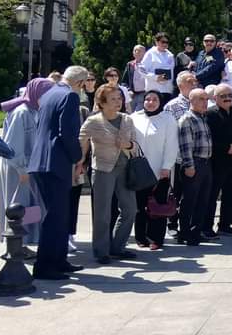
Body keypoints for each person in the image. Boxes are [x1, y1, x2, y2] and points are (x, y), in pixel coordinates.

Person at [28, 66, 87, 280]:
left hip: (41, 162)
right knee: (55, 217)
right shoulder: (70, 96)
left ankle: (59, 260)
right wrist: (77, 156)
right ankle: (45, 266)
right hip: (56, 163)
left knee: (58, 215)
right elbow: (67, 132)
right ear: (80, 83)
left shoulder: (49, 94)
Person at [80, 84, 138, 264]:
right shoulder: (94, 121)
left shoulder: (127, 119)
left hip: (125, 168)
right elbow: (81, 139)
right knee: (102, 212)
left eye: (119, 98)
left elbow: (135, 145)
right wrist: (81, 160)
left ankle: (118, 246)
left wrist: (127, 145)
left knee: (130, 209)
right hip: (103, 169)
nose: (118, 102)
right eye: (113, 99)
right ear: (102, 102)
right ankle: (101, 250)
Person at [0, 78, 55, 257]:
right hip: (18, 169)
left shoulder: (36, 111)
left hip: (29, 168)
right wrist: (22, 169)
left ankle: (24, 242)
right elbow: (12, 145)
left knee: (29, 207)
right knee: (17, 206)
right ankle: (14, 245)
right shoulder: (21, 112)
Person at [131, 91, 179, 250]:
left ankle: (156, 238)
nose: (150, 102)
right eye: (147, 99)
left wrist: (167, 166)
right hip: (138, 170)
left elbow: (172, 145)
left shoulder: (168, 119)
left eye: (154, 99)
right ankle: (140, 237)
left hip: (160, 170)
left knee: (157, 207)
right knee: (139, 206)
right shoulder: (135, 117)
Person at [206, 83, 232, 236]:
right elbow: (210, 139)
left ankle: (225, 224)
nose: (227, 99)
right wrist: (227, 148)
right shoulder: (210, 114)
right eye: (223, 96)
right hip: (218, 162)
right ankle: (207, 226)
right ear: (215, 98)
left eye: (229, 95)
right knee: (212, 196)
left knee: (231, 194)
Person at [176, 88, 213, 246]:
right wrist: (189, 165)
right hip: (194, 163)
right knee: (189, 201)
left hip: (206, 163)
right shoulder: (187, 119)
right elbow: (185, 146)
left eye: (206, 99)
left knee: (203, 200)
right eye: (201, 99)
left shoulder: (202, 117)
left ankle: (196, 231)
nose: (205, 102)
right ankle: (185, 232)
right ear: (192, 101)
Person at [140, 33, 175, 102]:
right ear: (156, 42)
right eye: (163, 42)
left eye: (167, 42)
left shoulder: (170, 55)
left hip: (167, 90)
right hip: (154, 90)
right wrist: (155, 77)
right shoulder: (150, 53)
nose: (165, 44)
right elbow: (141, 70)